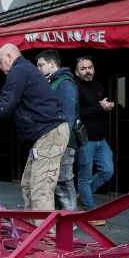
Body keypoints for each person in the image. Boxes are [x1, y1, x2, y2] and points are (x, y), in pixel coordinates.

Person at [0, 44, 69, 213]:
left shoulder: (18, 71)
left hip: (49, 134)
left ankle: (44, 236)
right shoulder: (24, 70)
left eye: (0, 62)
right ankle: (33, 229)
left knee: (40, 188)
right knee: (28, 184)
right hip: (45, 135)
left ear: (10, 57)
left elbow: (5, 104)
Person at [35, 49, 78, 215]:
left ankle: (69, 218)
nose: (38, 69)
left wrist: (60, 143)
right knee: (58, 179)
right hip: (56, 140)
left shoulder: (64, 83)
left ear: (52, 64)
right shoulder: (55, 81)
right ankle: (64, 216)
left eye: (40, 65)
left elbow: (68, 116)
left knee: (64, 180)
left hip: (63, 142)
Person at [75, 56, 114, 225]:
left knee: (108, 170)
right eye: (83, 69)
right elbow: (79, 112)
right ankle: (90, 212)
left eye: (89, 67)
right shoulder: (75, 88)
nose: (87, 71)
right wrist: (100, 107)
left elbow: (100, 107)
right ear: (77, 72)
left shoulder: (98, 86)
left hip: (101, 139)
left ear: (94, 69)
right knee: (84, 177)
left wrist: (107, 107)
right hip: (85, 140)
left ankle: (83, 195)